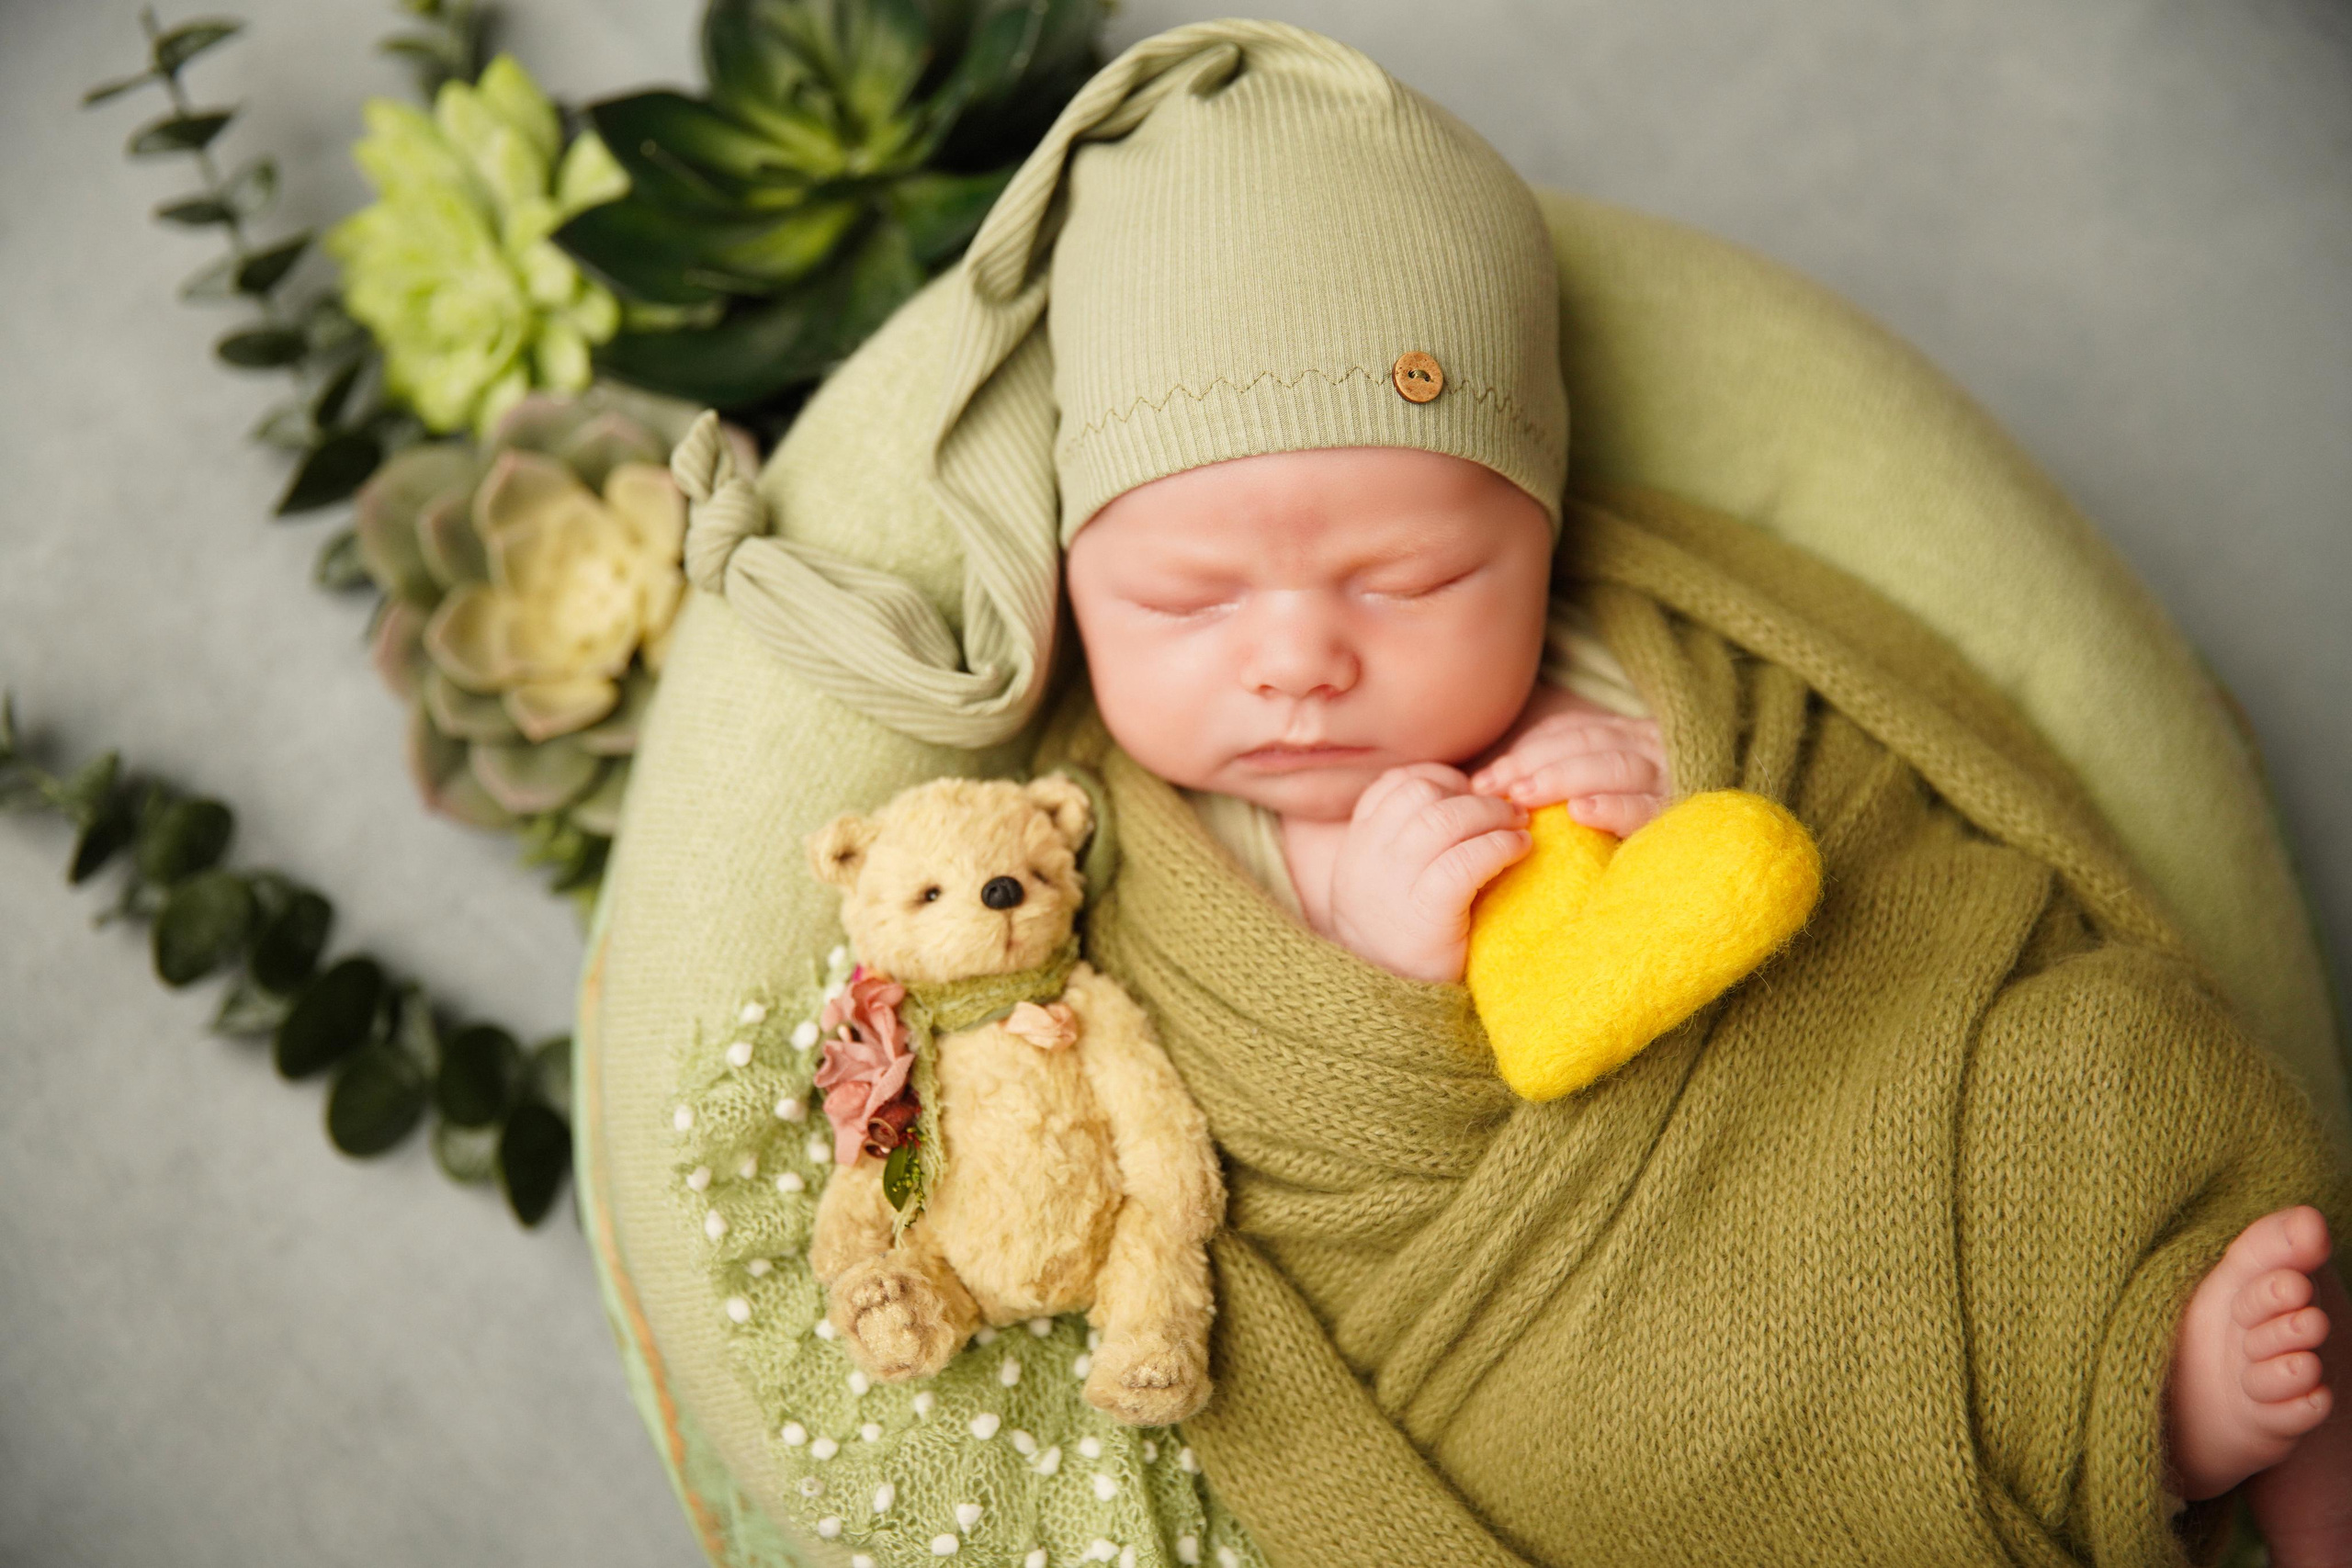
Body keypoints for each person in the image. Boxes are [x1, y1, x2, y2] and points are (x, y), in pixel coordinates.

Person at [676, 17, 2352, 1563]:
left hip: (1839, 1074)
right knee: (1634, 1439)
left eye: (1405, 582)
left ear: (1540, 539)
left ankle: (2193, 1400)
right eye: (1189, 605)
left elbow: (1873, 801)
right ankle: (2126, 1435)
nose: (1298, 662)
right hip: (1554, 1306)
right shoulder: (1129, 852)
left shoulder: (1635, 638)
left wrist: (1665, 769)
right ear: (1069, 587)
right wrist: (1394, 958)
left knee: (2114, 1055)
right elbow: (1244, 1135)